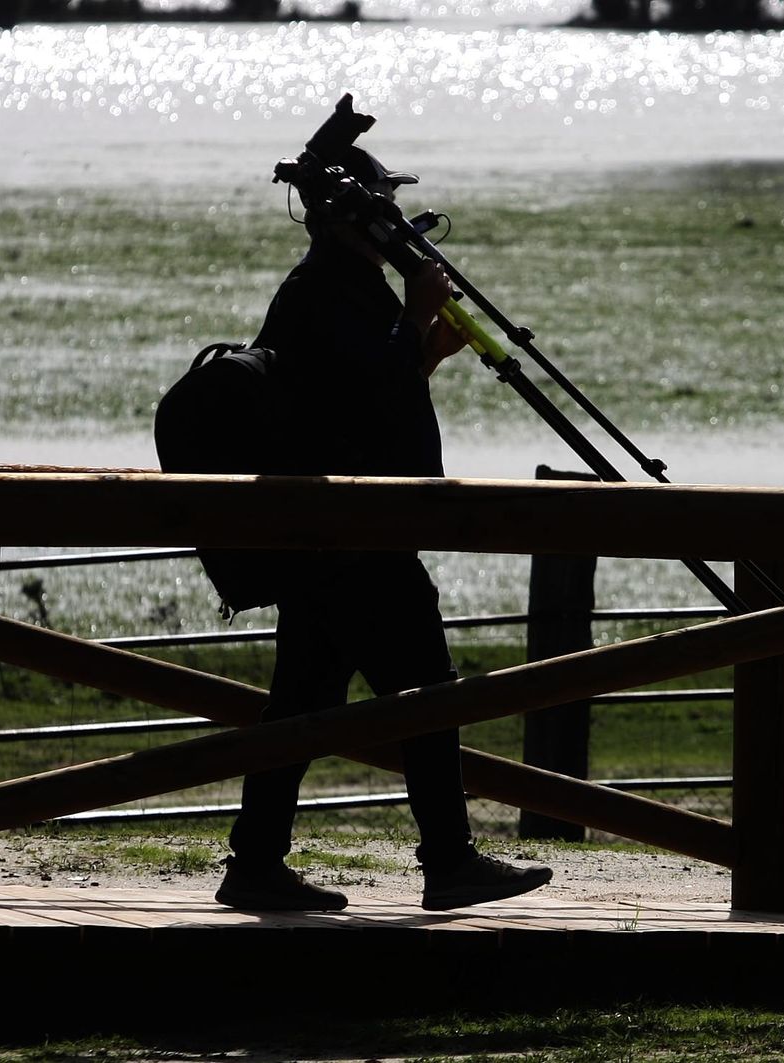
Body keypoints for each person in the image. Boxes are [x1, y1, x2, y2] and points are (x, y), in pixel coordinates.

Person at [213, 144, 553, 912]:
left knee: (301, 703)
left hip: (335, 535)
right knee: (426, 689)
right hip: (354, 536)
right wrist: (418, 317)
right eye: (380, 207)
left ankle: (256, 863)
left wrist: (421, 345)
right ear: (347, 217)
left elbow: (371, 391)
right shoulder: (327, 292)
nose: (394, 222)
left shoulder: (340, 287)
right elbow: (357, 409)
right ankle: (449, 861)